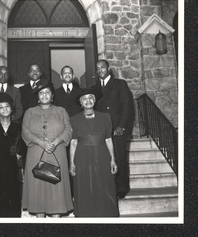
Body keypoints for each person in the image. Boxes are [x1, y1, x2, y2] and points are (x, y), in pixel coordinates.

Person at [21, 79, 73, 217]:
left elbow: (68, 129)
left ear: (52, 96)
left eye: (47, 92)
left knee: (56, 189)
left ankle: (56, 218)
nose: (44, 95)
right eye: (41, 93)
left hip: (57, 153)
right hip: (35, 153)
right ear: (37, 97)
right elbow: (25, 131)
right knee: (37, 188)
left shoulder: (61, 111)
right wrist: (40, 142)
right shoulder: (29, 112)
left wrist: (56, 141)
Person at [69, 88, 119, 217]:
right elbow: (73, 142)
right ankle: (86, 214)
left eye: (90, 98)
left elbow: (108, 139)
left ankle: (105, 214)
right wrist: (72, 163)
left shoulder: (105, 117)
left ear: (95, 101)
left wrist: (113, 159)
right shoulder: (74, 119)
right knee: (84, 185)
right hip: (82, 156)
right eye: (84, 99)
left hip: (102, 154)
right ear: (81, 103)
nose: (88, 101)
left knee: (104, 184)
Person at [93, 59, 133, 198]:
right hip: (102, 130)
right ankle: (109, 187)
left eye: (102, 67)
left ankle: (121, 188)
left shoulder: (119, 84)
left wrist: (121, 126)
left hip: (117, 128)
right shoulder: (95, 88)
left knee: (119, 157)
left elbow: (127, 106)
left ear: (108, 69)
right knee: (105, 159)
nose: (100, 71)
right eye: (97, 69)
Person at [19, 64, 46, 169]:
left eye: (37, 70)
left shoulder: (47, 87)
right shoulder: (21, 90)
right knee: (28, 157)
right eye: (32, 70)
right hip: (28, 127)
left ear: (40, 73)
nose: (35, 72)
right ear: (28, 73)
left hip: (43, 126)